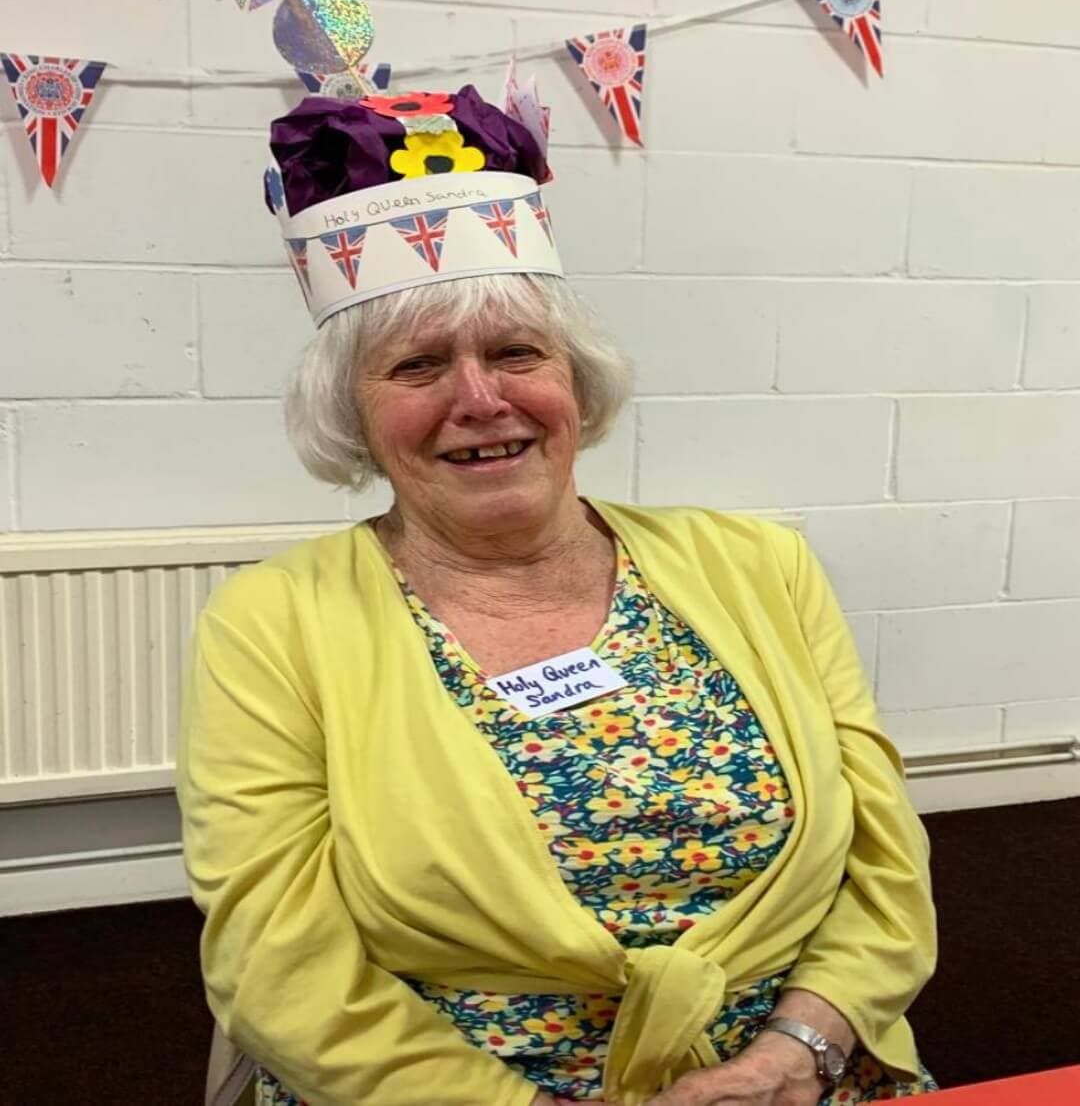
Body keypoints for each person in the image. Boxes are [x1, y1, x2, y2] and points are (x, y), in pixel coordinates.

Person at [177, 83, 938, 1106]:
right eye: (416, 366)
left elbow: (887, 872)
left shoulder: (761, 565)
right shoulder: (273, 625)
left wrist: (796, 1052)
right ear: (352, 417)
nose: (480, 398)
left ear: (575, 381)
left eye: (515, 352)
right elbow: (277, 966)